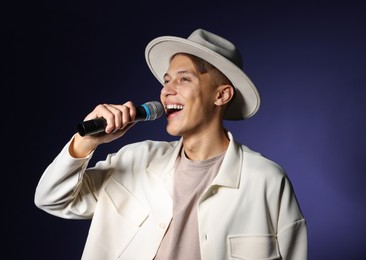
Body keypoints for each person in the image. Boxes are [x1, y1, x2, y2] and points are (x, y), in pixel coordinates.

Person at [34, 28, 307, 260]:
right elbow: (52, 199)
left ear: (221, 95)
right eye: (166, 81)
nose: (166, 90)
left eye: (183, 79)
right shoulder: (135, 159)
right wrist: (86, 142)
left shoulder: (266, 181)